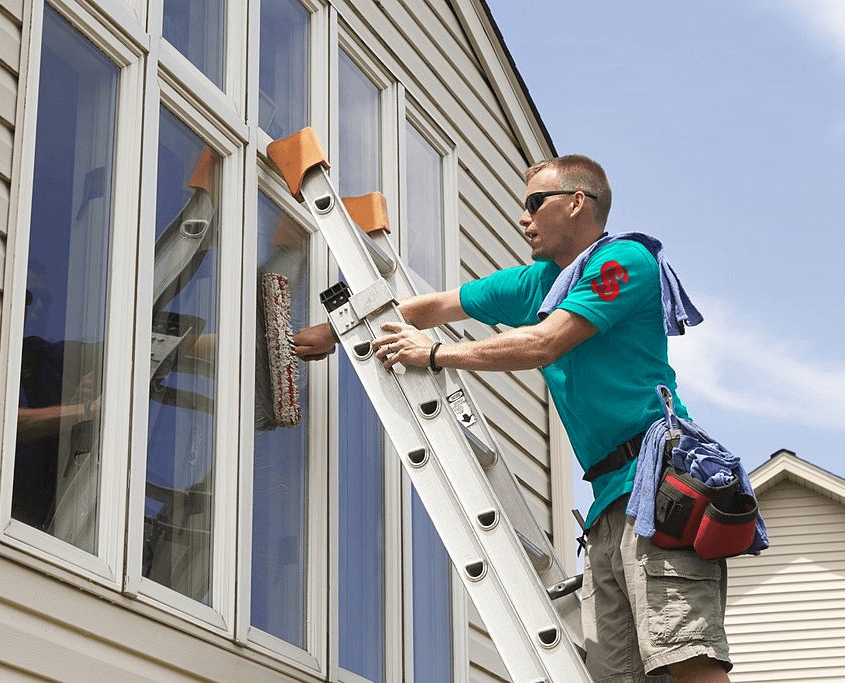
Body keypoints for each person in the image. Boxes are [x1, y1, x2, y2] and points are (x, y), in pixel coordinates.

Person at [292, 155, 732, 682]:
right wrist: (332, 331)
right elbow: (435, 306)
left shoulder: (625, 262)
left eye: (533, 203)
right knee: (616, 676)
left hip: (657, 487)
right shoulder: (543, 282)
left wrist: (433, 356)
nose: (522, 218)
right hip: (609, 503)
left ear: (576, 203)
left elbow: (545, 343)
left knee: (684, 657)